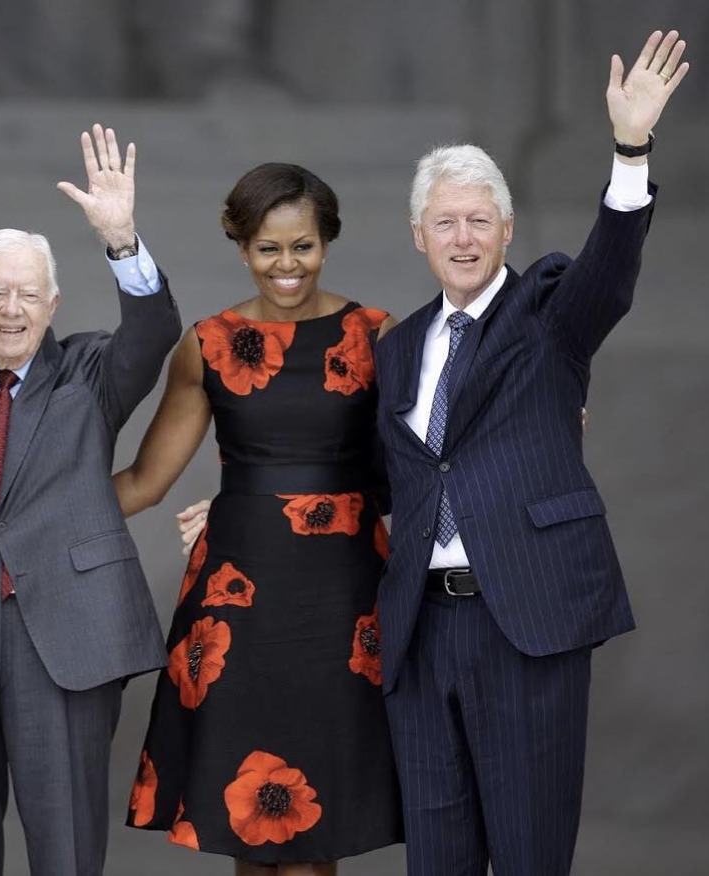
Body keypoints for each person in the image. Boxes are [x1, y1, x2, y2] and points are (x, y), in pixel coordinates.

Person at [372, 30, 688, 876]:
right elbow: (386, 475)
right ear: (419, 237)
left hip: (527, 624)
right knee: (437, 858)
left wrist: (630, 149)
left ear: (508, 230)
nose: (464, 237)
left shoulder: (550, 312)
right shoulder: (397, 349)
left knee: (528, 855)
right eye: (447, 222)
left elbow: (611, 272)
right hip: (420, 631)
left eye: (480, 221)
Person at [0, 124, 181, 876]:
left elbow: (154, 332)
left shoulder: (90, 375)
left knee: (66, 854)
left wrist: (121, 238)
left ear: (53, 302)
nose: (13, 308)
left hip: (67, 644)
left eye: (29, 293)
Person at [115, 163, 403, 874]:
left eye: (302, 245)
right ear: (242, 248)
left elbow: (414, 473)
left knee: (313, 823)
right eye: (268, 248)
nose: (287, 265)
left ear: (326, 242)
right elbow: (147, 482)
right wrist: (31, 516)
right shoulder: (207, 344)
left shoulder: (377, 336)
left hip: (344, 601)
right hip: (238, 600)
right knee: (247, 818)